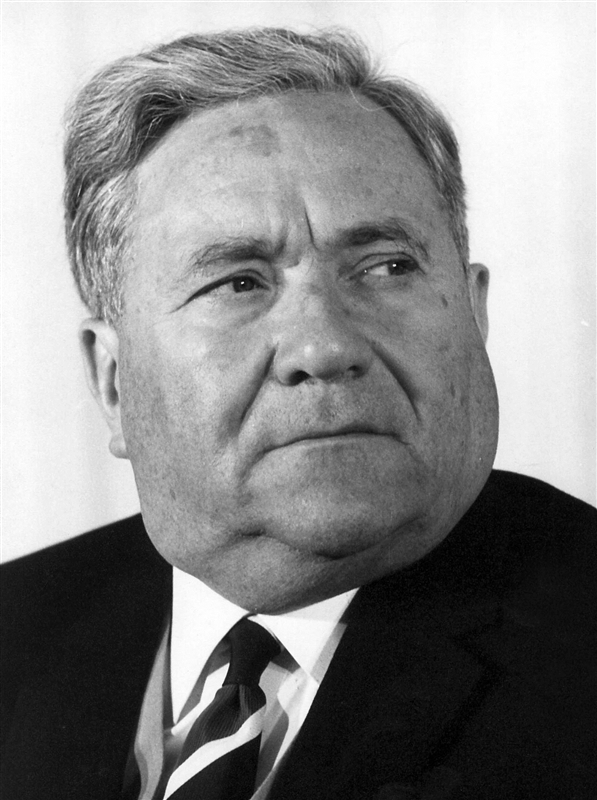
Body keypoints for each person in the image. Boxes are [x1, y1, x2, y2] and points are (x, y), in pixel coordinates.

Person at [1, 27, 595, 800]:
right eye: (238, 283)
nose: (323, 345)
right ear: (112, 381)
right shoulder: (18, 628)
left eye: (386, 267)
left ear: (474, 315)